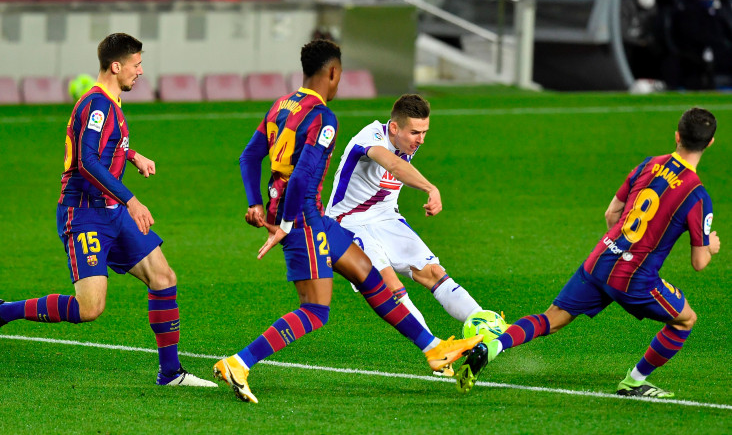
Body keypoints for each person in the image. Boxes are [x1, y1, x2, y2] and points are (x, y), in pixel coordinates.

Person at [214, 39, 482, 403]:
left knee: (369, 276)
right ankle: (239, 363)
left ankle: (434, 349)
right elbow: (302, 176)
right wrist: (287, 224)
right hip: (302, 219)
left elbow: (249, 157)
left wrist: (255, 203)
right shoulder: (323, 118)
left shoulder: (281, 105)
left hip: (313, 218)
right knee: (315, 310)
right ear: (333, 73)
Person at [0, 33, 215, 388]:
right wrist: (132, 200)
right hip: (85, 213)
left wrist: (132, 155)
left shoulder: (110, 101)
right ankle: (0, 311)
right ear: (116, 66)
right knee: (89, 308)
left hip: (111, 210)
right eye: (136, 65)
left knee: (163, 278)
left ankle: (170, 373)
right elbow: (87, 160)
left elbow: (102, 148)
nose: (140, 71)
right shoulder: (98, 104)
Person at [458, 107, 720, 398]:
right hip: (635, 278)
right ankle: (634, 382)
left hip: (601, 259)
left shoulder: (649, 164)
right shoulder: (697, 195)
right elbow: (699, 262)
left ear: (677, 136)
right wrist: (710, 245)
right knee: (685, 319)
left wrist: (619, 247)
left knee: (551, 319)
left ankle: (492, 347)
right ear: (710, 142)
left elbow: (611, 214)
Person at [325, 94, 488, 337]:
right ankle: (436, 349)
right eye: (414, 132)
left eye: (424, 132)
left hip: (386, 218)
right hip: (347, 223)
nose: (420, 140)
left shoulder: (406, 142)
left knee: (434, 272)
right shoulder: (371, 137)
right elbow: (394, 166)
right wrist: (431, 188)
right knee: (391, 286)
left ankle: (486, 324)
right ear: (394, 128)